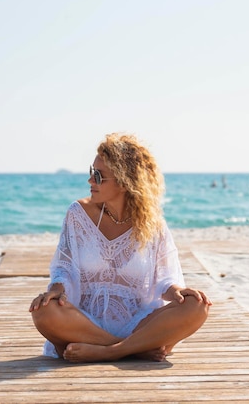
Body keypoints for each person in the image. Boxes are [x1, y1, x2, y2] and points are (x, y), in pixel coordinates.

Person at [29, 133, 211, 363]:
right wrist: (56, 289)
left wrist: (176, 292)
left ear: (125, 181)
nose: (90, 182)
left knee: (197, 306)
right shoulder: (78, 213)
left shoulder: (152, 222)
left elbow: (165, 278)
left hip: (139, 323)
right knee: (43, 311)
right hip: (85, 323)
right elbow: (64, 266)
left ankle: (109, 351)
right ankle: (133, 349)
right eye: (90, 173)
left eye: (98, 176)